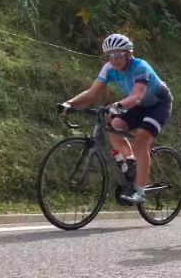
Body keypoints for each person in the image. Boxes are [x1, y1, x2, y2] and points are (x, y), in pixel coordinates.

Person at [60, 33, 174, 205]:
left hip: (158, 105)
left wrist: (114, 107)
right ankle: (131, 165)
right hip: (138, 106)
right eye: (109, 56)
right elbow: (92, 93)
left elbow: (136, 97)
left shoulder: (140, 67)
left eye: (118, 55)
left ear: (128, 54)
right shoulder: (109, 68)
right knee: (114, 126)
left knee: (141, 140)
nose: (114, 60)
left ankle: (140, 192)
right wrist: (69, 103)